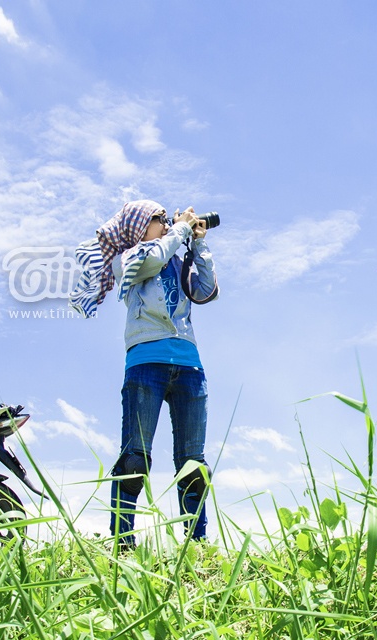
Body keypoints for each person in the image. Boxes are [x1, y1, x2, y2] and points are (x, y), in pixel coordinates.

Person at [69, 200, 218, 548]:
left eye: (168, 219)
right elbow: (152, 259)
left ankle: (197, 546)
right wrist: (180, 229)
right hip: (145, 362)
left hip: (189, 365)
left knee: (194, 465)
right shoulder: (128, 259)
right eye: (159, 218)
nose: (166, 223)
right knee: (134, 459)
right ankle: (123, 543)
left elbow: (206, 290)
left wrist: (198, 244)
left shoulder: (176, 258)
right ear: (138, 225)